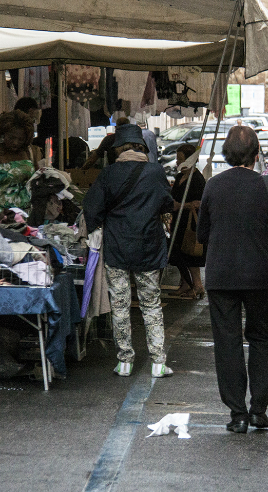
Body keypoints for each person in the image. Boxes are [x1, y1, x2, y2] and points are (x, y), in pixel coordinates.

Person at [196, 125, 268, 434]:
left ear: (226, 154)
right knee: (260, 337)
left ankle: (237, 413)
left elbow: (202, 234)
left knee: (227, 341)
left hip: (221, 275)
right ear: (256, 155)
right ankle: (259, 411)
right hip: (260, 276)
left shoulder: (212, 186)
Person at [83, 123, 174, 378]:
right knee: (151, 304)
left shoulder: (109, 174)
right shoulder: (156, 172)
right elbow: (167, 203)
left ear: (118, 149)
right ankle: (158, 362)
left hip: (118, 247)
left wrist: (96, 228)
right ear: (141, 147)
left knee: (120, 305)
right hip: (148, 246)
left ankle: (125, 361)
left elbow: (91, 207)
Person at [169, 143, 206, 299]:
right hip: (177, 221)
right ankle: (184, 283)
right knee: (179, 253)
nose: (177, 163)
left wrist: (181, 205)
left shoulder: (197, 179)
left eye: (180, 159)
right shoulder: (179, 177)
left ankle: (197, 285)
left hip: (190, 222)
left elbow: (199, 203)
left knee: (190, 254)